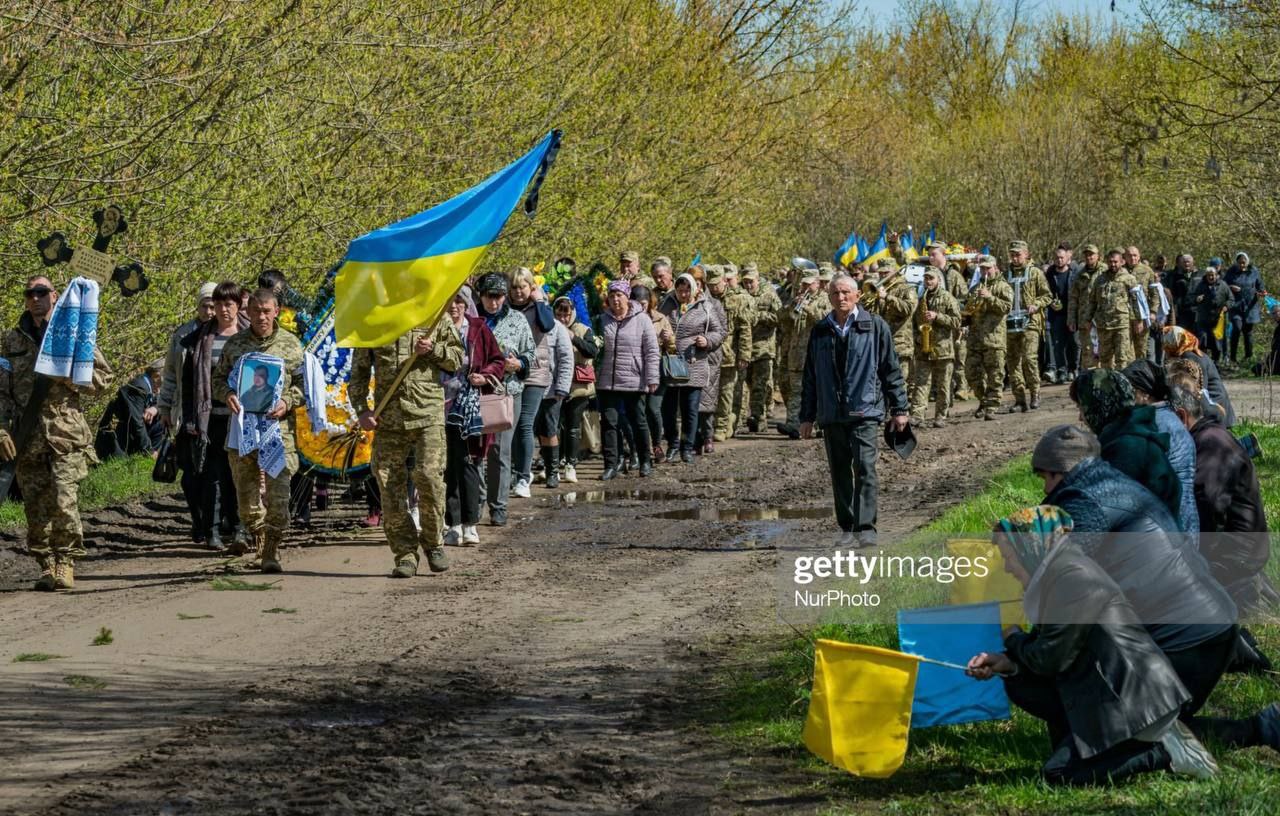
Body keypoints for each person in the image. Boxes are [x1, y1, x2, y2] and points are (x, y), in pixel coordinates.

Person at [967, 506, 1217, 785]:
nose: (1006, 566)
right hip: (1107, 693)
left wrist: (1012, 637)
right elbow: (1051, 650)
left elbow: (1049, 659)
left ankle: (1165, 752)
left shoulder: (1072, 577)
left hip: (1131, 702)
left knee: (1059, 774)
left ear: (1028, 548)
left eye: (1008, 556)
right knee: (1019, 681)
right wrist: (1008, 663)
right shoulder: (1057, 573)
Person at [1030, 425, 1241, 718]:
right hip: (1212, 622)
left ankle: (1260, 728)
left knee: (1132, 737)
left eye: (1045, 478)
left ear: (1059, 471)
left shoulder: (1083, 502)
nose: (1044, 489)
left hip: (1184, 638)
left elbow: (1064, 586)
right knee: (1157, 730)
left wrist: (1029, 647)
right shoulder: (1115, 483)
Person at [0, 275, 112, 591]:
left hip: (66, 435)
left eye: (41, 292)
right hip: (27, 437)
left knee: (64, 499)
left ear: (54, 296)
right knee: (35, 507)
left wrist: (71, 378)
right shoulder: (11, 341)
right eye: (29, 293)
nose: (35, 298)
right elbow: (2, 391)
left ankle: (66, 561)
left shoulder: (73, 333)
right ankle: (45, 564)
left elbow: (103, 379)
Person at [349, 303, 462, 577]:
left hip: (427, 414)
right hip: (389, 417)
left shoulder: (435, 315)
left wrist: (433, 350)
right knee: (389, 486)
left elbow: (457, 359)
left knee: (429, 478)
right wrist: (362, 409)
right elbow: (360, 371)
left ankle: (434, 544)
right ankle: (405, 553)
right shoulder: (373, 319)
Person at [799, 273, 909, 546]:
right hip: (832, 414)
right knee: (839, 472)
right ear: (829, 297)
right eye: (836, 293)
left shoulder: (874, 326)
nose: (841, 297)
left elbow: (890, 370)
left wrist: (899, 408)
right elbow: (810, 376)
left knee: (865, 468)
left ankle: (866, 529)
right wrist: (806, 416)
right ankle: (847, 528)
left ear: (857, 295)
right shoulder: (821, 330)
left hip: (865, 411)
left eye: (846, 292)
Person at [212, 288, 304, 574]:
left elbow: (303, 386)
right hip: (243, 433)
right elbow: (217, 380)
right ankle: (259, 535)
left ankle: (271, 550)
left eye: (267, 311)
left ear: (277, 311)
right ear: (247, 312)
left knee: (279, 500)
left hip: (278, 433)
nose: (262, 316)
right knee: (247, 504)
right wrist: (227, 394)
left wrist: (288, 401)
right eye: (256, 311)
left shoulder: (291, 345)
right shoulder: (235, 345)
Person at [1168, 380, 1271, 612]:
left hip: (1236, 555)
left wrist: (1195, 560)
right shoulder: (1207, 437)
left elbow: (1207, 506)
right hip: (1239, 550)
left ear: (1182, 418)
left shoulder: (1211, 443)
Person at [177, 281, 247, 551]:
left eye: (228, 304)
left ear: (238, 306)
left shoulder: (246, 336)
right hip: (211, 420)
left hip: (241, 419)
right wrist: (190, 419)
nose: (223, 310)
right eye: (218, 304)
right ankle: (213, 531)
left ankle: (240, 529)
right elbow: (187, 384)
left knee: (239, 476)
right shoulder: (200, 340)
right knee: (211, 477)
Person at [1069, 368, 1182, 522]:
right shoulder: (1132, 433)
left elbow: (1103, 514)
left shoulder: (1126, 449)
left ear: (1098, 405)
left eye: (1082, 408)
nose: (1080, 418)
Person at [441, 286, 505, 548]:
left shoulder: (478, 328)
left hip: (469, 407)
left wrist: (484, 374)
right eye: (450, 301)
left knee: (467, 462)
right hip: (439, 405)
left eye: (459, 300)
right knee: (447, 466)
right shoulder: (434, 329)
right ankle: (451, 524)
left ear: (466, 304)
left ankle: (469, 524)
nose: (454, 306)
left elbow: (498, 360)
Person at [471, 273, 534, 526]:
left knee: (499, 450)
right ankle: (475, 503)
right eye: (489, 296)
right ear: (481, 296)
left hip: (506, 392)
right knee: (473, 451)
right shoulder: (471, 319)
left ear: (505, 296)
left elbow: (531, 353)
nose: (493, 302)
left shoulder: (518, 320)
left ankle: (498, 505)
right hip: (473, 392)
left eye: (498, 297)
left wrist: (519, 363)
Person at [157, 281, 216, 535]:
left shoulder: (225, 335)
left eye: (215, 305)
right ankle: (197, 518)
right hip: (186, 412)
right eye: (206, 305)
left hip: (215, 413)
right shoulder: (182, 335)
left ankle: (210, 524)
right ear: (198, 306)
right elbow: (170, 374)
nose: (210, 311)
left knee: (210, 473)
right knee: (190, 474)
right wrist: (165, 407)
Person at [507, 267, 571, 496]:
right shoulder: (506, 308)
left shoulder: (539, 308)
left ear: (531, 287)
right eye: (514, 287)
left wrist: (540, 301)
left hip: (535, 372)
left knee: (525, 422)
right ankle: (517, 470)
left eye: (522, 287)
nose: (518, 292)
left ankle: (524, 476)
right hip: (509, 371)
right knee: (510, 424)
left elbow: (548, 325)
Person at [1121, 360, 1200, 535]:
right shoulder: (1169, 418)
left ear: (1143, 394)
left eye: (1128, 390)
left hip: (1169, 532)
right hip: (1187, 525)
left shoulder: (1153, 425)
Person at [659, 271, 725, 463]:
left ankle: (687, 447)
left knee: (690, 410)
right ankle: (672, 444)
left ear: (694, 290)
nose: (683, 295)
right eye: (680, 291)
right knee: (668, 410)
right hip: (671, 364)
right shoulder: (667, 304)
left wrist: (707, 340)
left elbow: (719, 331)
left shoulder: (705, 306)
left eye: (687, 291)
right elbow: (656, 323)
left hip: (694, 363)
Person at [596, 280, 660, 479]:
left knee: (638, 422)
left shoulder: (641, 319)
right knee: (609, 423)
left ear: (627, 297)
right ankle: (610, 465)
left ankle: (645, 460)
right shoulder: (602, 319)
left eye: (619, 295)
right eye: (612, 295)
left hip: (634, 379)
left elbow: (651, 350)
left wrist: (652, 378)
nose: (615, 299)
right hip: (607, 380)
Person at [555, 296, 601, 485]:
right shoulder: (550, 328)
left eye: (566, 314)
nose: (563, 318)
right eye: (559, 314)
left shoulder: (583, 330)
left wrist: (573, 337)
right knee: (556, 427)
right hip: (556, 386)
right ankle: (555, 463)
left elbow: (592, 351)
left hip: (579, 387)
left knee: (573, 427)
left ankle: (571, 465)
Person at [1002, 241, 1052, 411]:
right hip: (1010, 325)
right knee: (1012, 362)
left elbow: (1047, 296)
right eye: (1013, 255)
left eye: (1018, 254)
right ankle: (1019, 399)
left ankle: (1035, 393)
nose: (1015, 258)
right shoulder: (1005, 274)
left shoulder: (1035, 273)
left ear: (1026, 254)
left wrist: (1036, 304)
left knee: (1029, 359)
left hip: (1030, 323)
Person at [909, 266, 961, 427]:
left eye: (931, 278)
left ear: (939, 279)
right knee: (921, 383)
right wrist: (918, 337)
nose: (928, 282)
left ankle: (941, 416)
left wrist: (937, 316)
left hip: (943, 349)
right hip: (924, 348)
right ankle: (917, 415)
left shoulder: (947, 298)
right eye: (926, 279)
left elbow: (957, 321)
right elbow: (914, 322)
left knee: (943, 385)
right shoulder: (921, 299)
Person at [963, 255, 1013, 421]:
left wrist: (989, 297)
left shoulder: (1003, 286)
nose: (985, 271)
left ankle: (991, 406)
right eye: (982, 268)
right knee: (971, 372)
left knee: (995, 375)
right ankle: (983, 400)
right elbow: (968, 309)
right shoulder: (975, 288)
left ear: (995, 268)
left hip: (994, 338)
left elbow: (1006, 307)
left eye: (988, 268)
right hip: (975, 339)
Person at [778, 269, 826, 438]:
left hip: (816, 355)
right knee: (795, 391)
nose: (805, 287)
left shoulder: (825, 299)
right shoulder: (797, 298)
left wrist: (808, 308)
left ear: (817, 283)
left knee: (818, 391)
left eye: (808, 284)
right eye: (803, 284)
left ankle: (821, 424)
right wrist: (792, 305)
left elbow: (825, 320)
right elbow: (781, 318)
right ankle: (793, 424)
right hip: (796, 355)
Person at [706, 265, 751, 444]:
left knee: (725, 392)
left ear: (725, 281)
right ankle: (713, 424)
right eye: (710, 284)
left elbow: (745, 329)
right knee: (710, 392)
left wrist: (744, 354)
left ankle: (722, 426)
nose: (713, 288)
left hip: (728, 353)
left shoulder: (737, 300)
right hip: (708, 353)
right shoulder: (705, 300)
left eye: (716, 284)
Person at [865, 258, 917, 406]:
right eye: (880, 273)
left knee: (898, 381)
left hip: (900, 343)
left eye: (886, 272)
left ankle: (899, 413)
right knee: (880, 381)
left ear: (894, 271)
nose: (882, 276)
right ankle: (884, 413)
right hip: (879, 343)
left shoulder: (906, 289)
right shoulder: (878, 289)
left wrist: (887, 297)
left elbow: (908, 309)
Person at [1161, 326, 1236, 427]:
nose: (1166, 350)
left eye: (1168, 345)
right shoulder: (1189, 353)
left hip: (1216, 409)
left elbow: (1198, 390)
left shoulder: (1191, 358)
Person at [632, 284, 673, 461]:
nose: (641, 307)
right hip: (635, 371)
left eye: (644, 303)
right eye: (637, 303)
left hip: (656, 369)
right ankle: (641, 448)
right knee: (638, 411)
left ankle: (657, 444)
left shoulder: (660, 319)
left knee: (653, 409)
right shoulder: (627, 319)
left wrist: (668, 339)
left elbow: (673, 346)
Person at [1081, 248, 1139, 370]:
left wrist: (1138, 320)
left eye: (1115, 262)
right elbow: (1092, 302)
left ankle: (1121, 386)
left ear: (1122, 262)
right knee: (1105, 359)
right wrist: (1087, 319)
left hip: (1121, 325)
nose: (1113, 264)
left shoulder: (1129, 279)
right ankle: (1108, 386)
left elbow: (1136, 302)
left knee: (1122, 359)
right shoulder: (1100, 279)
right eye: (1110, 262)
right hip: (1104, 325)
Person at [95, 360, 164, 460]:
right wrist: (149, 450)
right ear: (156, 376)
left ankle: (148, 457)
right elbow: (137, 423)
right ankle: (149, 456)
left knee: (160, 421)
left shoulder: (147, 385)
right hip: (114, 438)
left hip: (127, 433)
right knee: (118, 463)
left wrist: (155, 408)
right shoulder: (139, 388)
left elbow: (161, 402)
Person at [742, 264, 780, 433]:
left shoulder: (769, 295)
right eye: (745, 282)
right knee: (749, 383)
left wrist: (761, 316)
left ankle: (759, 418)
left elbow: (780, 317)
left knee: (760, 385)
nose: (749, 285)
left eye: (751, 281)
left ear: (757, 280)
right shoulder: (741, 296)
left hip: (764, 348)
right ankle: (753, 415)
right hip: (745, 348)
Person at [1043, 243, 1077, 384]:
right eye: (1057, 258)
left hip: (1071, 314)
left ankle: (1073, 369)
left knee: (1074, 342)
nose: (1059, 260)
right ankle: (1061, 370)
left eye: (1062, 257)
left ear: (1067, 257)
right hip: (1055, 314)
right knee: (1058, 343)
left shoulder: (1073, 273)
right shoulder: (1049, 274)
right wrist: (1051, 302)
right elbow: (1045, 292)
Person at [1224, 251, 1265, 365]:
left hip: (1250, 307)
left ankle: (1248, 357)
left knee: (1248, 333)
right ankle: (1233, 358)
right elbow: (1222, 285)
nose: (1242, 265)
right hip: (1236, 306)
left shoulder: (1254, 272)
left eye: (1244, 262)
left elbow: (1261, 287)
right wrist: (1230, 287)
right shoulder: (1231, 272)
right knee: (1236, 328)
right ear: (1236, 262)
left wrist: (1261, 293)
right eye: (1240, 263)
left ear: (1247, 262)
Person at [1066, 244, 1101, 371]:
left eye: (1091, 254)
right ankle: (1089, 381)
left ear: (1098, 256)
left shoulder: (1105, 271)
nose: (1089, 257)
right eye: (1086, 254)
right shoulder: (1079, 274)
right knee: (1087, 351)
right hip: (1084, 319)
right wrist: (1071, 319)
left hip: (1103, 319)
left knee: (1104, 351)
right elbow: (1073, 298)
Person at [1190, 265, 1231, 362]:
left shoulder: (1223, 285)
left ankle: (1216, 363)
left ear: (1216, 275)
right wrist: (1197, 299)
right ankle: (1203, 362)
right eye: (1209, 276)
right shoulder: (1200, 285)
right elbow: (1191, 298)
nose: (1211, 277)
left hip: (1218, 320)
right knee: (1202, 341)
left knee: (1216, 343)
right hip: (1203, 319)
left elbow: (1231, 299)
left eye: (1213, 275)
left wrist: (1227, 306)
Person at [1125, 246, 1158, 362]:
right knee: (1126, 350)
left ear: (1139, 256)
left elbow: (1155, 293)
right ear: (1125, 257)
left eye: (1135, 255)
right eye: (1129, 255)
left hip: (1142, 317)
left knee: (1141, 350)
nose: (1132, 258)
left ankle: (1140, 376)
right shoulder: (1121, 271)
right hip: (1124, 318)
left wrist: (1153, 312)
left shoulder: (1147, 271)